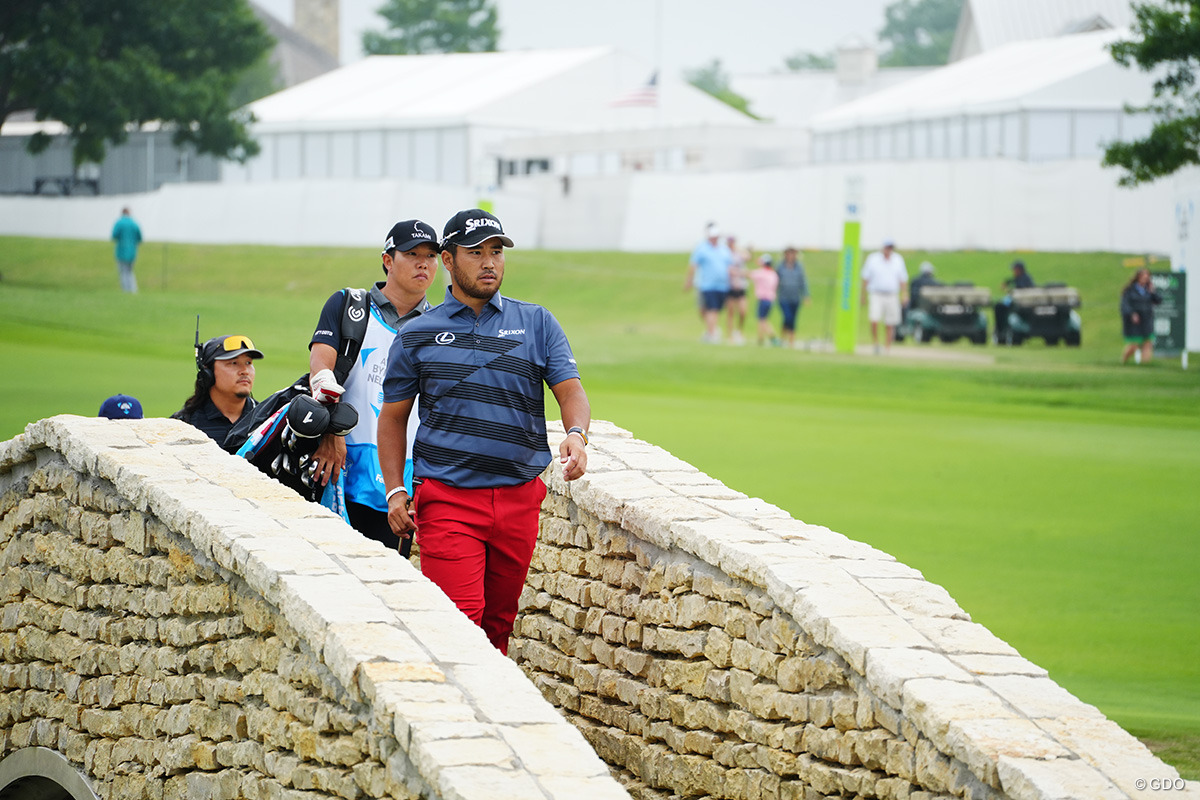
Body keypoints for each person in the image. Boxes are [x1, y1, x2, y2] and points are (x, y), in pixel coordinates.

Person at [377, 208, 591, 655]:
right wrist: (396, 491)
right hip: (449, 498)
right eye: (476, 253)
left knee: (498, 626)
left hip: (518, 498)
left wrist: (576, 433)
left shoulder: (537, 323)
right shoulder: (417, 333)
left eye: (496, 252)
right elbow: (393, 417)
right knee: (459, 624)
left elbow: (570, 390)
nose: (490, 262)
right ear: (449, 261)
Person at [307, 219, 439, 549]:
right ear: (387, 260)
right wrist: (331, 430)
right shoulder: (348, 306)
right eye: (411, 254)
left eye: (431, 255)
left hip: (406, 482)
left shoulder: (441, 326)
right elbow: (320, 368)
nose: (423, 263)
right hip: (341, 470)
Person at [172, 335, 263, 444]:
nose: (245, 371)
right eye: (234, 363)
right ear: (207, 373)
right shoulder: (183, 426)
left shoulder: (266, 421)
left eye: (248, 363)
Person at [684, 223, 733, 343]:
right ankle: (712, 333)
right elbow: (693, 265)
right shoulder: (702, 248)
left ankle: (712, 331)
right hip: (706, 284)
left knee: (714, 310)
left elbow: (729, 267)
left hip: (722, 285)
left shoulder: (724, 249)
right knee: (707, 310)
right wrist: (689, 281)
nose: (714, 238)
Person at [861, 239, 908, 354]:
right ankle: (876, 343)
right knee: (874, 319)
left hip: (892, 294)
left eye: (891, 248)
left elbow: (902, 279)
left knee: (890, 322)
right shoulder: (873, 259)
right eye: (887, 247)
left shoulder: (898, 259)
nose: (889, 250)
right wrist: (862, 294)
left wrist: (904, 294)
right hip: (876, 293)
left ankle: (887, 346)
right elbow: (866, 277)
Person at [1120, 268, 1163, 364]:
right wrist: (1131, 314)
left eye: (1147, 277)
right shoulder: (1130, 290)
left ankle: (1145, 365)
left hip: (1146, 320)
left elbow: (1159, 300)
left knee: (1148, 343)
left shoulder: (1149, 290)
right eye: (1143, 276)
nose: (1145, 278)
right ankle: (1123, 361)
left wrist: (1153, 292)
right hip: (1134, 322)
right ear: (1138, 277)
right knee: (1134, 345)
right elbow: (1124, 305)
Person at [776, 247, 810, 349]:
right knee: (787, 317)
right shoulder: (780, 266)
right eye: (789, 253)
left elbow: (803, 281)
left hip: (795, 297)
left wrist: (806, 295)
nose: (791, 255)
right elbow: (775, 280)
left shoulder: (799, 267)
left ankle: (791, 340)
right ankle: (783, 338)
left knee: (793, 319)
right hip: (783, 296)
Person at [994, 260, 1035, 341]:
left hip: (1021, 302)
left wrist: (1008, 289)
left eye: (1015, 269)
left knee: (999, 307)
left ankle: (1001, 330)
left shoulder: (1025, 279)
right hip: (1018, 301)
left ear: (1019, 269)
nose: (1014, 271)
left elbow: (1021, 289)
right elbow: (1011, 281)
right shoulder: (1020, 277)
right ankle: (1000, 331)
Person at [750, 253, 780, 346]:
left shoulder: (762, 273)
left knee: (762, 320)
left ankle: (766, 338)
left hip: (763, 299)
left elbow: (749, 274)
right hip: (770, 299)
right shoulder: (774, 274)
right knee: (764, 319)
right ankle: (766, 338)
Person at [725, 236, 750, 345]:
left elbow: (748, 257)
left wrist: (740, 249)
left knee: (743, 311)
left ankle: (739, 332)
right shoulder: (724, 254)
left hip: (741, 286)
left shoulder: (739, 253)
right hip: (729, 286)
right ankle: (730, 335)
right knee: (731, 312)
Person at [111, 207, 143, 294]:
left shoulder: (119, 223)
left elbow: (114, 235)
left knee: (123, 271)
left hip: (121, 250)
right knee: (130, 271)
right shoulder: (134, 223)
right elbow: (139, 238)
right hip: (132, 251)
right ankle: (133, 289)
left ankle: (125, 290)